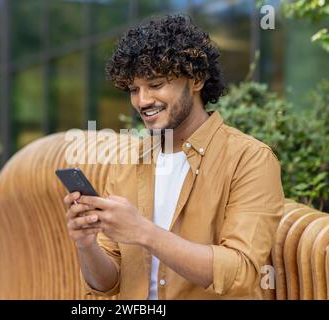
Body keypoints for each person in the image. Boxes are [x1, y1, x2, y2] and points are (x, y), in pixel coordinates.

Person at [63, 14, 284, 299]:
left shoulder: (250, 159)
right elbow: (107, 284)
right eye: (134, 90)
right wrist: (86, 244)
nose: (142, 101)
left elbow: (240, 272)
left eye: (155, 85)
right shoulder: (129, 163)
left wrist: (144, 232)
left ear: (196, 80)